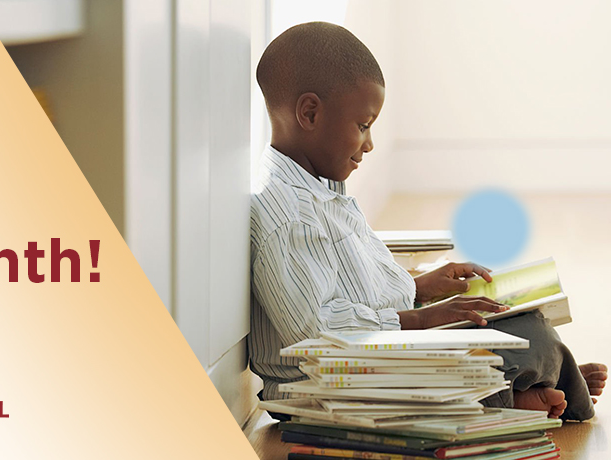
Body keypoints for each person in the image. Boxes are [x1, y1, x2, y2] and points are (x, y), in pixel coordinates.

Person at [248, 21, 606, 420]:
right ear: (310, 113)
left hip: (371, 350)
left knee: (519, 320)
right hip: (328, 382)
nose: (369, 144)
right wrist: (416, 320)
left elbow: (358, 288)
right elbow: (313, 333)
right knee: (521, 342)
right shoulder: (285, 213)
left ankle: (533, 384)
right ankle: (528, 391)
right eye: (363, 126)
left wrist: (419, 288)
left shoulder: (324, 189)